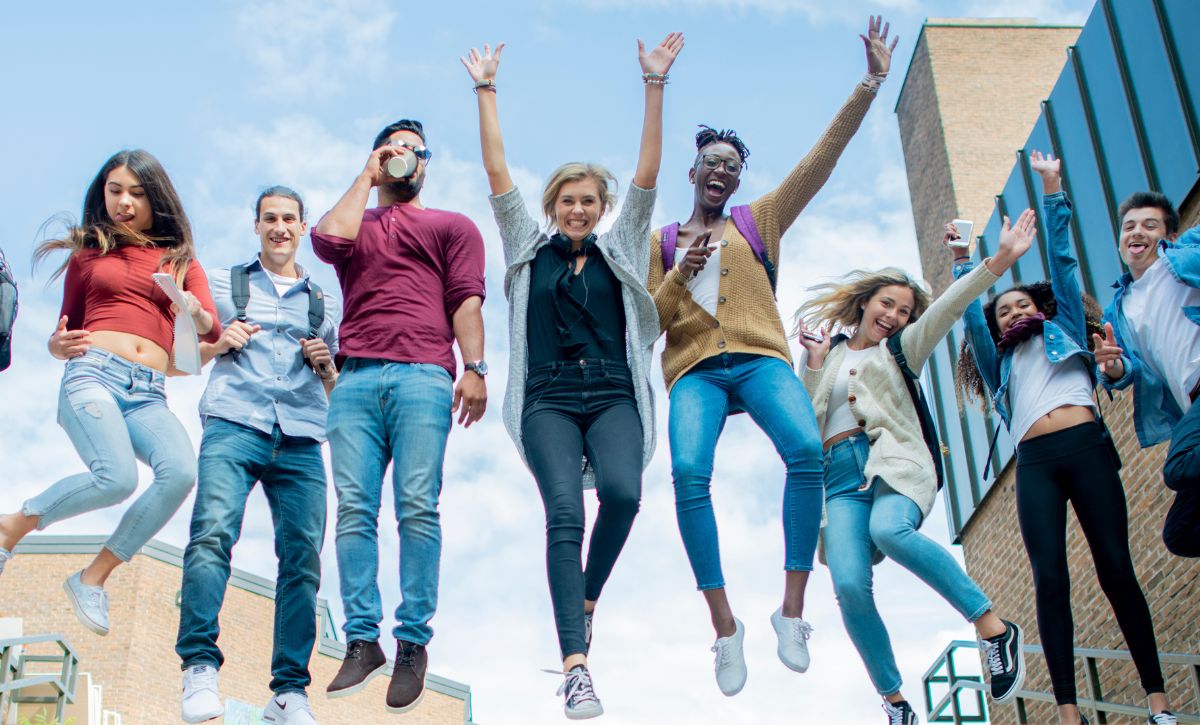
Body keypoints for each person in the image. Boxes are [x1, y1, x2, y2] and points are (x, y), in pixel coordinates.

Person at [645, 15, 894, 696]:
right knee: (690, 474)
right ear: (692, 171)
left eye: (733, 165)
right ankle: (725, 628)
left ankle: (791, 612)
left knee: (806, 454)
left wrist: (869, 85)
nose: (722, 172)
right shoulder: (664, 239)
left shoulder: (761, 220)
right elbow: (646, 322)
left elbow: (822, 158)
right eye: (712, 163)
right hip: (694, 370)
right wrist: (678, 271)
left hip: (760, 360)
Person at [462, 33, 682, 718]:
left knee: (622, 494)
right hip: (548, 399)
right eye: (568, 199)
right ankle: (576, 665)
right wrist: (486, 91)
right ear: (554, 203)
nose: (579, 208)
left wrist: (654, 85)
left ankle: (585, 596)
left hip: (614, 391)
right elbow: (497, 175)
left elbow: (647, 175)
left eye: (589, 200)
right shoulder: (528, 249)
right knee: (563, 512)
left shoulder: (620, 246)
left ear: (601, 206)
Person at [953, 153, 1176, 725]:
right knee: (1050, 580)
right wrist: (963, 262)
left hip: (1087, 451)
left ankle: (1158, 703)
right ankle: (1070, 713)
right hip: (1036, 464)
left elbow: (1063, 261)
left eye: (1022, 304)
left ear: (1042, 308)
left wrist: (1051, 188)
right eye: (1004, 310)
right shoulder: (998, 362)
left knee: (1115, 569)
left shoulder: (1068, 331)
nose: (1012, 313)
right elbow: (971, 317)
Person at [794, 212, 1033, 725]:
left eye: (903, 310)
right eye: (887, 303)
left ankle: (993, 627)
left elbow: (948, 307)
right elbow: (805, 419)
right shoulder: (827, 357)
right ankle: (895, 701)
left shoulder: (901, 349)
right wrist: (813, 362)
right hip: (836, 481)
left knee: (890, 528)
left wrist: (997, 262)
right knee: (850, 584)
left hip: (892, 462)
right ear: (865, 303)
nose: (895, 314)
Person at [0, 149, 220, 635]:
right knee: (116, 478)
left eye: (137, 193)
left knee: (181, 472)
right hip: (92, 375)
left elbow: (207, 327)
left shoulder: (181, 261)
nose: (124, 202)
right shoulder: (88, 255)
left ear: (156, 198)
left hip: (149, 392)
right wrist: (56, 345)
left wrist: (191, 307)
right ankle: (11, 526)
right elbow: (68, 329)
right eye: (114, 191)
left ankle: (92, 579)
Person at [312, 118, 487, 714]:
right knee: (355, 508)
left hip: (422, 376)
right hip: (355, 378)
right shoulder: (354, 221)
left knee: (417, 503)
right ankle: (363, 640)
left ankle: (412, 642)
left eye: (416, 150)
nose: (405, 158)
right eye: (394, 150)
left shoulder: (451, 226)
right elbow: (326, 244)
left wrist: (476, 367)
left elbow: (465, 298)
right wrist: (367, 172)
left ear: (428, 164)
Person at [176, 186, 341, 725]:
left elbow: (342, 392)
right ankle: (199, 665)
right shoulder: (225, 283)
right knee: (212, 534)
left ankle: (288, 692)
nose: (279, 227)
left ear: (302, 226)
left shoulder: (326, 301)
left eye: (289, 219)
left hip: (300, 437)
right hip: (234, 424)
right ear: (256, 225)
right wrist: (219, 344)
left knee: (303, 562)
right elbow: (182, 357)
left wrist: (327, 367)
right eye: (270, 218)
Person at [1093, 189, 1200, 560]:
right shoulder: (1120, 307)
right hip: (1192, 407)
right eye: (1129, 227)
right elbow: (1125, 370)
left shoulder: (1185, 254)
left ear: (1169, 237)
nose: (1137, 232)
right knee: (1181, 533)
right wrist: (1112, 366)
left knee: (1181, 467)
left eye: (1149, 225)